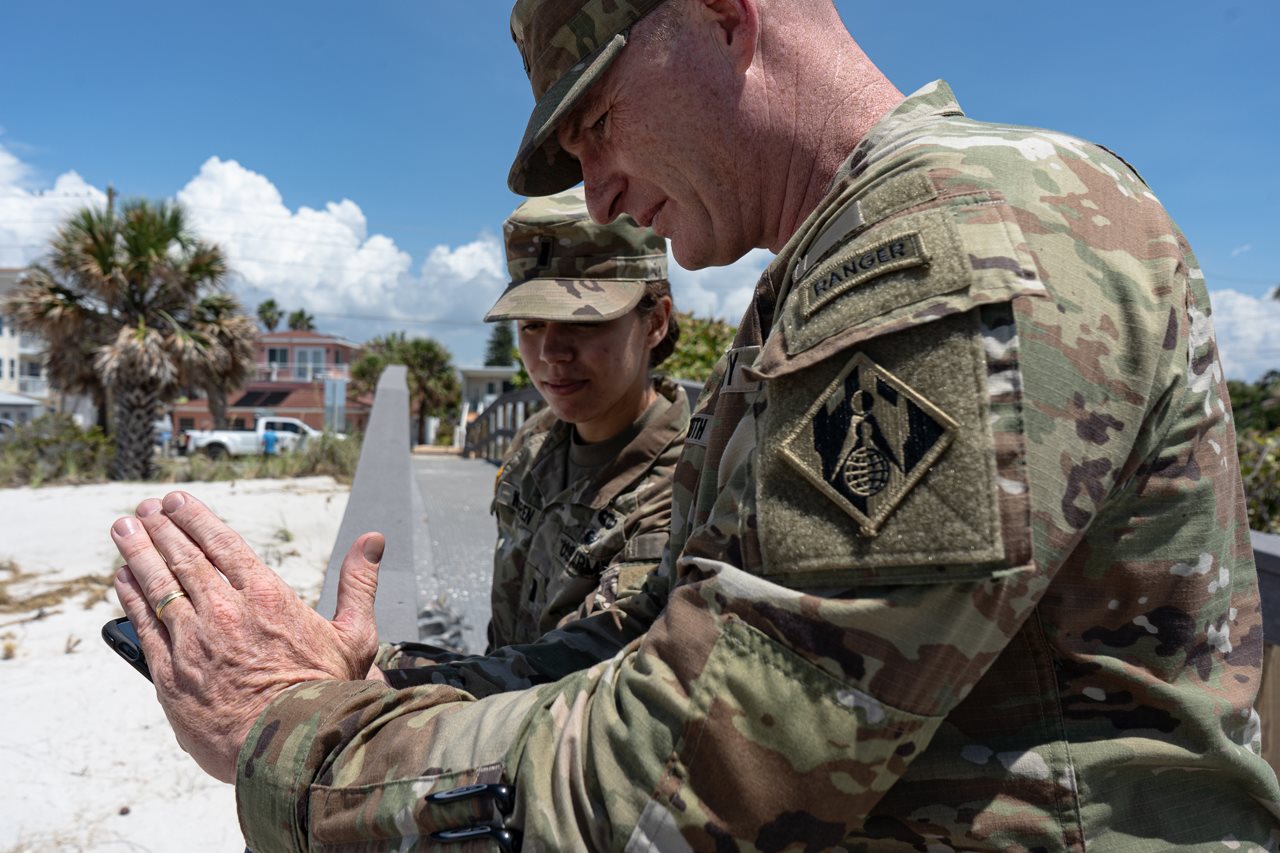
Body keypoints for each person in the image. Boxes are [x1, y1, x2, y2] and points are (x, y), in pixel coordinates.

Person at [108, 0, 1280, 849]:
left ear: (725, 17)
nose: (601, 190)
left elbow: (704, 765)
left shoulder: (948, 245)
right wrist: (408, 689)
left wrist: (305, 743)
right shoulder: (826, 280)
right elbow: (666, 638)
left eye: (601, 121)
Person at [385, 187, 689, 666]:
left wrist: (388, 673)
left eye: (584, 322)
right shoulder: (536, 440)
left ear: (655, 323)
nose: (551, 354)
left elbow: (570, 675)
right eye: (530, 325)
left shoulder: (686, 486)